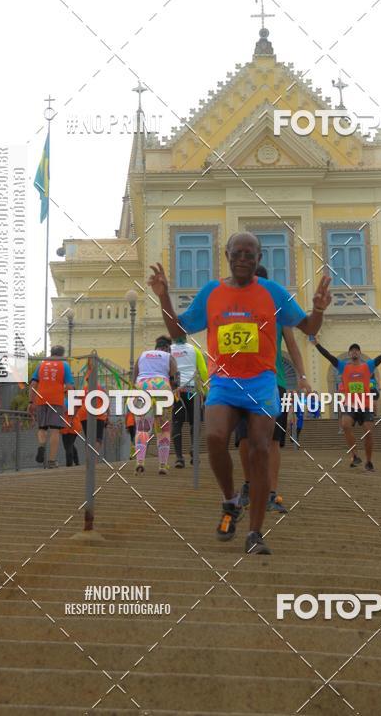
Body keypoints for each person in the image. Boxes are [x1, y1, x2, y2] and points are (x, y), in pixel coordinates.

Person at [148, 232, 332, 555]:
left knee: (260, 449)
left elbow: (308, 328)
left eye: (251, 254)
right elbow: (177, 331)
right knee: (215, 437)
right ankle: (231, 500)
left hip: (261, 383)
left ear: (259, 259)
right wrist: (163, 296)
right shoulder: (212, 293)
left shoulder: (273, 292)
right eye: (238, 253)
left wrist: (318, 310)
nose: (244, 258)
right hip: (224, 381)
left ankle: (255, 532)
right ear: (227, 255)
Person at [236, 265, 311, 514]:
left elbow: (293, 346)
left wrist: (301, 377)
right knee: (244, 437)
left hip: (273, 382)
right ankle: (248, 486)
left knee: (274, 440)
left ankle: (270, 492)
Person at [312, 335, 381, 472]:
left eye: (357, 350)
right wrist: (317, 344)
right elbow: (328, 356)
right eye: (352, 350)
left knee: (369, 432)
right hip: (351, 403)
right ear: (349, 354)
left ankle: (369, 461)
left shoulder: (367, 366)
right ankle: (355, 454)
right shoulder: (343, 367)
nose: (354, 352)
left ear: (360, 353)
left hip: (365, 405)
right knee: (345, 425)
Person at [133, 336, 178, 475]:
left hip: (142, 386)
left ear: (156, 346)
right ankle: (162, 465)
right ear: (167, 348)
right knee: (163, 428)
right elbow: (175, 378)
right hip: (162, 386)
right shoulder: (169, 357)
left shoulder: (142, 355)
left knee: (142, 427)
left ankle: (140, 462)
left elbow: (134, 376)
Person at [29, 345, 75, 469]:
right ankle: (52, 461)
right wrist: (70, 405)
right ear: (62, 354)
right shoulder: (64, 365)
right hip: (56, 400)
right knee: (55, 430)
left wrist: (31, 402)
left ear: (51, 353)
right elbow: (70, 387)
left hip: (41, 399)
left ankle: (41, 445)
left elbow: (33, 384)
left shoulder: (42, 364)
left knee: (42, 428)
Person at [170, 332, 208, 468]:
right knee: (195, 420)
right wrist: (206, 391)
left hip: (177, 391)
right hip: (192, 390)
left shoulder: (170, 350)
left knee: (177, 423)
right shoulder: (194, 350)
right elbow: (203, 371)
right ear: (185, 337)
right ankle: (194, 449)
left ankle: (179, 458)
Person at [78, 383, 110, 455]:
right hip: (98, 415)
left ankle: (88, 459)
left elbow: (77, 403)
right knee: (98, 439)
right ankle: (93, 459)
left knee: (89, 439)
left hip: (84, 415)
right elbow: (106, 401)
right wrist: (108, 415)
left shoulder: (84, 389)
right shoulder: (100, 388)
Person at [61, 392, 82, 466]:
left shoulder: (70, 400)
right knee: (69, 445)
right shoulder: (65, 400)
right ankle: (76, 461)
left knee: (68, 445)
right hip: (66, 426)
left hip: (72, 425)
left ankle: (69, 464)